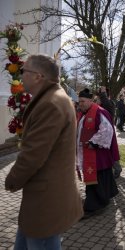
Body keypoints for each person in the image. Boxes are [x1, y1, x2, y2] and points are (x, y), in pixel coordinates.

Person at [5, 54, 83, 249]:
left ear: (38, 76)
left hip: (45, 200)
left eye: (25, 71)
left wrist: (12, 180)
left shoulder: (50, 103)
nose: (21, 75)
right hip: (43, 196)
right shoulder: (52, 98)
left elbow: (33, 155)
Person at [77, 88, 119, 218]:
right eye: (79, 102)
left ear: (90, 101)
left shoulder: (99, 112)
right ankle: (105, 196)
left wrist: (94, 142)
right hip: (90, 152)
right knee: (102, 177)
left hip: (97, 153)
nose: (81, 104)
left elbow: (107, 130)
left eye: (83, 101)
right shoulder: (84, 113)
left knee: (98, 178)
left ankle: (95, 205)